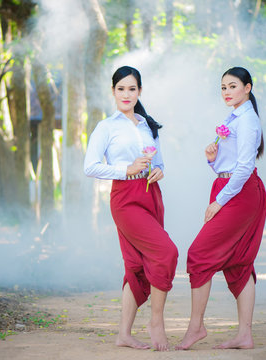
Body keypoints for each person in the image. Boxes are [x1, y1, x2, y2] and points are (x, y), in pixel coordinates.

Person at [83, 66, 178, 351]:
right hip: (125, 198)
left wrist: (158, 170)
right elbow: (90, 166)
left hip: (152, 195)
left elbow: (158, 162)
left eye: (132, 88)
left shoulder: (149, 125)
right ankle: (156, 322)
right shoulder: (106, 127)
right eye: (121, 88)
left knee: (136, 265)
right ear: (113, 91)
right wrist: (126, 169)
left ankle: (124, 334)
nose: (126, 94)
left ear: (139, 92)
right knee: (167, 252)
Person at [176, 66, 266, 350]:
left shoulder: (248, 120)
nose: (227, 92)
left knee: (199, 254)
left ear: (248, 88)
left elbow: (244, 168)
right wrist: (212, 160)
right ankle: (244, 335)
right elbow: (228, 166)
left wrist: (219, 201)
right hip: (230, 188)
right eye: (223, 87)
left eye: (233, 86)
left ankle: (195, 327)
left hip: (238, 194)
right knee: (239, 261)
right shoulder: (234, 117)